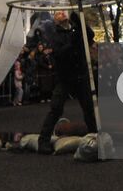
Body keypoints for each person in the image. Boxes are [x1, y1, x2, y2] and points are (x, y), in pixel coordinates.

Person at [34, 10, 97, 154]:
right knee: (56, 108)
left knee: (89, 109)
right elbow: (59, 52)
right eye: (57, 13)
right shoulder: (53, 34)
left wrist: (81, 23)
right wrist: (73, 42)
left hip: (81, 75)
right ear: (55, 20)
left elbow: (90, 35)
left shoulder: (76, 29)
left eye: (63, 12)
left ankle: (94, 136)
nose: (62, 13)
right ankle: (43, 140)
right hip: (65, 77)